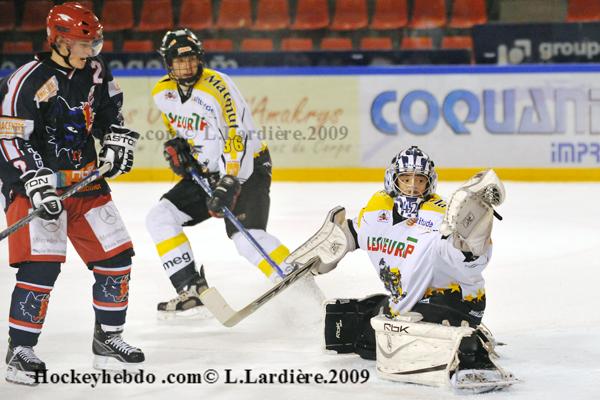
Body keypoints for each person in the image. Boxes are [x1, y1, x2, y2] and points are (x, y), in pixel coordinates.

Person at [285, 146, 514, 391]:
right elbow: (351, 233)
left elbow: (465, 261)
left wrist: (470, 246)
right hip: (407, 303)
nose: (413, 185)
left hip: (455, 303)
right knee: (361, 337)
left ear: (430, 183)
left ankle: (469, 343)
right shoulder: (376, 211)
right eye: (406, 179)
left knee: (405, 334)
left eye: (420, 179)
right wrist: (316, 258)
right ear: (393, 180)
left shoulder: (439, 218)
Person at [0, 2, 143, 385]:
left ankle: (108, 337)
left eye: (94, 41)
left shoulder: (96, 72)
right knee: (41, 268)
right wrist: (34, 180)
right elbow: (10, 137)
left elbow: (111, 112)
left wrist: (115, 141)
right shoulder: (26, 80)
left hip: (86, 183)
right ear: (59, 42)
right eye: (84, 43)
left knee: (117, 259)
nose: (92, 49)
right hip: (36, 190)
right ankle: (20, 350)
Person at [147, 29, 313, 318]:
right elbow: (178, 132)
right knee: (160, 217)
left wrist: (230, 179)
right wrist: (178, 149)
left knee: (244, 237)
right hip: (207, 173)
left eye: (191, 59)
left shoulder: (218, 86)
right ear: (167, 63)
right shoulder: (162, 93)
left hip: (247, 167)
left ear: (199, 59)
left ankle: (295, 277)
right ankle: (191, 289)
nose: (186, 66)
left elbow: (238, 136)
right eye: (178, 60)